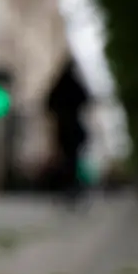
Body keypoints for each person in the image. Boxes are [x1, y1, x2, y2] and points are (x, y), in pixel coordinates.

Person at [44, 56, 91, 205]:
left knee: (67, 159)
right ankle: (71, 188)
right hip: (71, 128)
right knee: (72, 159)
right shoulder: (75, 84)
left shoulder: (59, 85)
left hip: (63, 128)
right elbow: (87, 99)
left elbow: (48, 104)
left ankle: (68, 188)